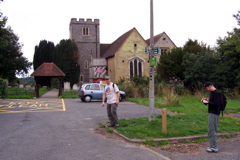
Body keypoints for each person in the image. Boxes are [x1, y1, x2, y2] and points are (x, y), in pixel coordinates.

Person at [201, 81, 221, 153]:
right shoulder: (213, 93)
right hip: (211, 112)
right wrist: (206, 102)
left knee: (212, 130)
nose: (207, 89)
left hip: (214, 113)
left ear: (210, 86)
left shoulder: (217, 93)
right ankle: (212, 146)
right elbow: (212, 103)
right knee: (210, 130)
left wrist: (207, 102)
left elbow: (216, 104)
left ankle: (214, 147)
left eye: (207, 87)